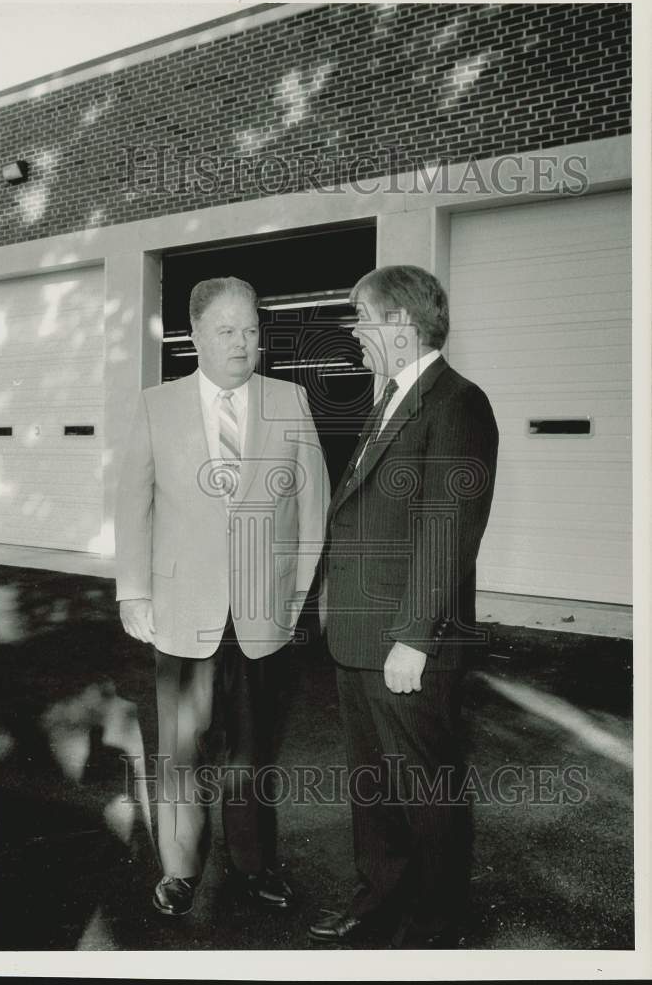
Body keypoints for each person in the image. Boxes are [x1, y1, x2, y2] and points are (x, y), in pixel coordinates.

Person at [116, 276, 329, 918]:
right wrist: (133, 592)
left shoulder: (289, 401)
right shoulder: (159, 405)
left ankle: (255, 865)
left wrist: (295, 598)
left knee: (253, 747)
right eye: (226, 331)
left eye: (251, 330)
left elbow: (312, 505)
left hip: (262, 611)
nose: (242, 343)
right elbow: (135, 504)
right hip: (183, 609)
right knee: (182, 748)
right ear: (194, 337)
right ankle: (180, 870)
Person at [309, 265, 499, 947]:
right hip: (361, 636)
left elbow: (448, 529)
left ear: (399, 323)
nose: (356, 332)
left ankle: (436, 924)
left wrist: (415, 638)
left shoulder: (457, 403)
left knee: (426, 788)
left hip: (406, 642)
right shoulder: (391, 396)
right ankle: (379, 898)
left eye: (362, 317)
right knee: (374, 785)